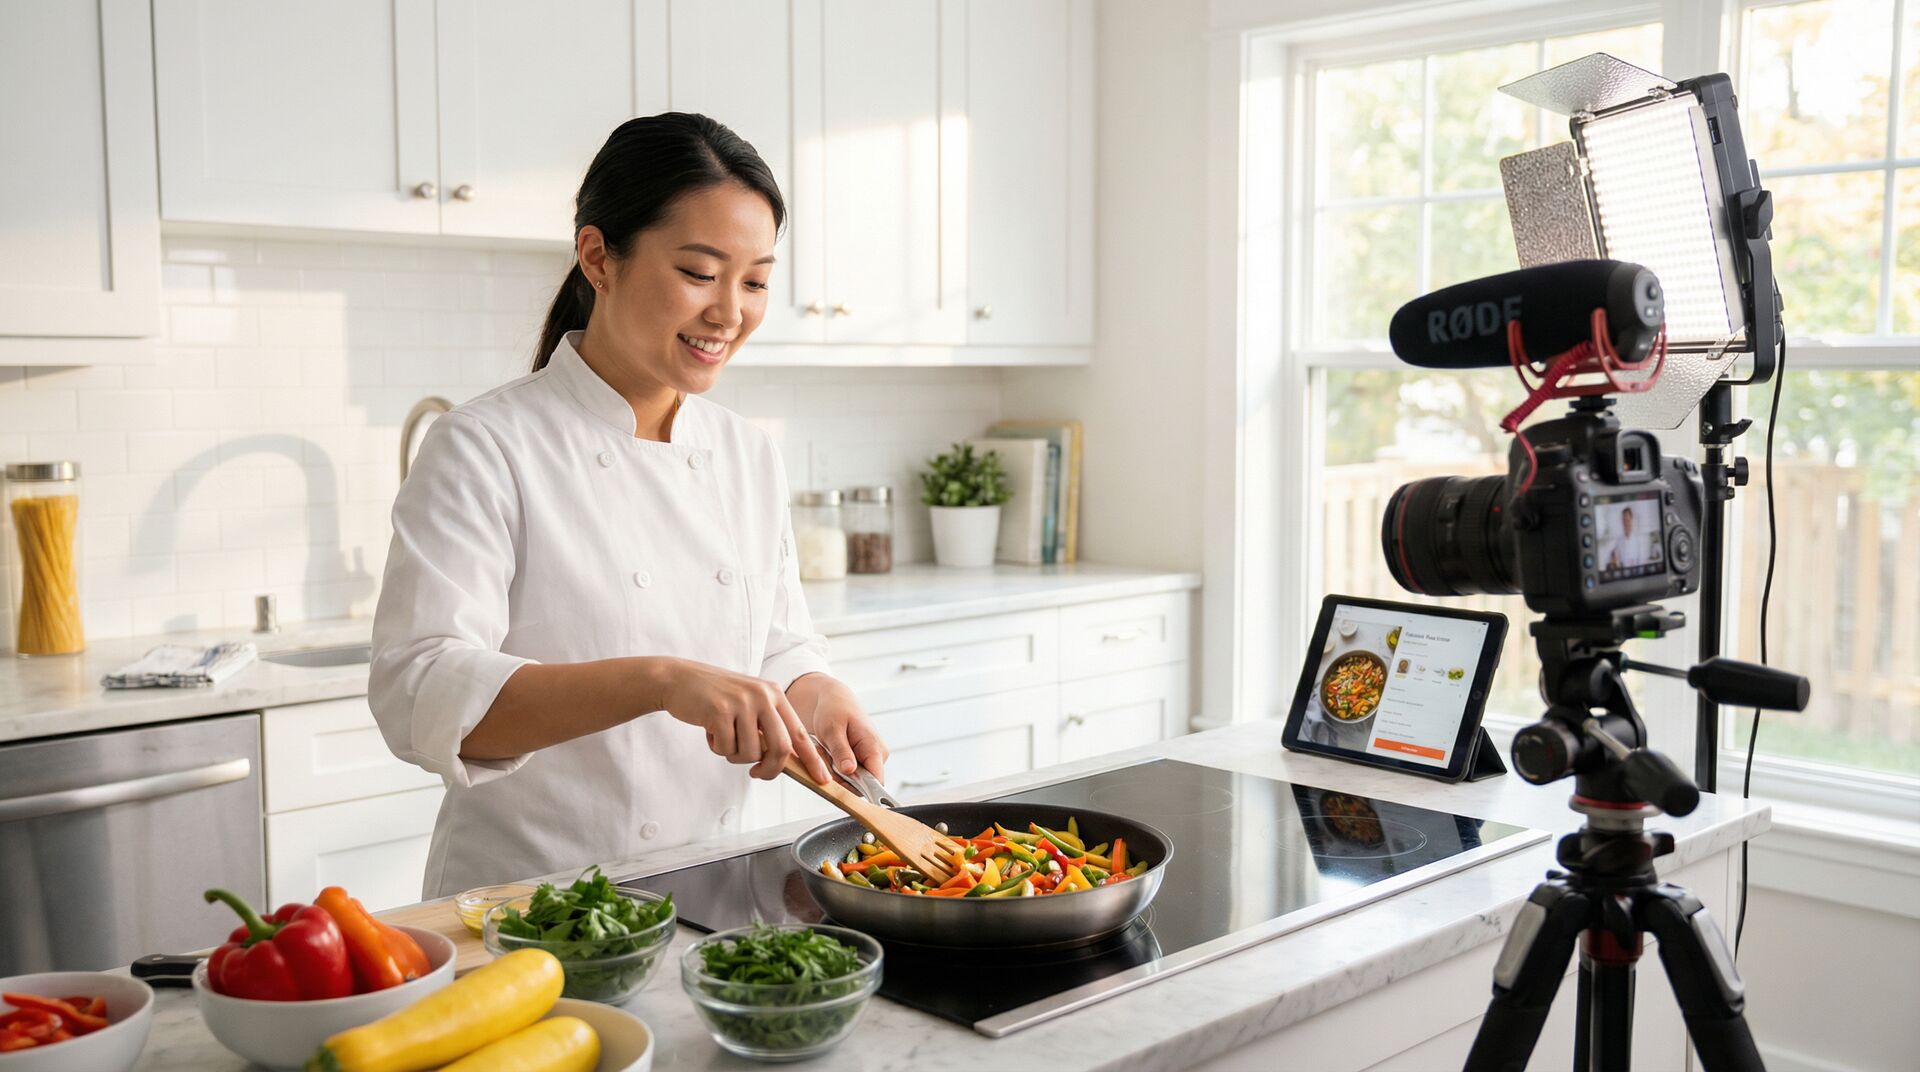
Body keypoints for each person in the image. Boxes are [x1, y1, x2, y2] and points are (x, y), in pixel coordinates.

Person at [370, 113, 888, 898]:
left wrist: (818, 694)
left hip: (712, 893)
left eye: (753, 281)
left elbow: (777, 644)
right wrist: (660, 682)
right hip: (529, 912)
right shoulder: (484, 444)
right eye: (699, 272)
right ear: (598, 257)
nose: (729, 312)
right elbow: (422, 693)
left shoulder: (746, 452)